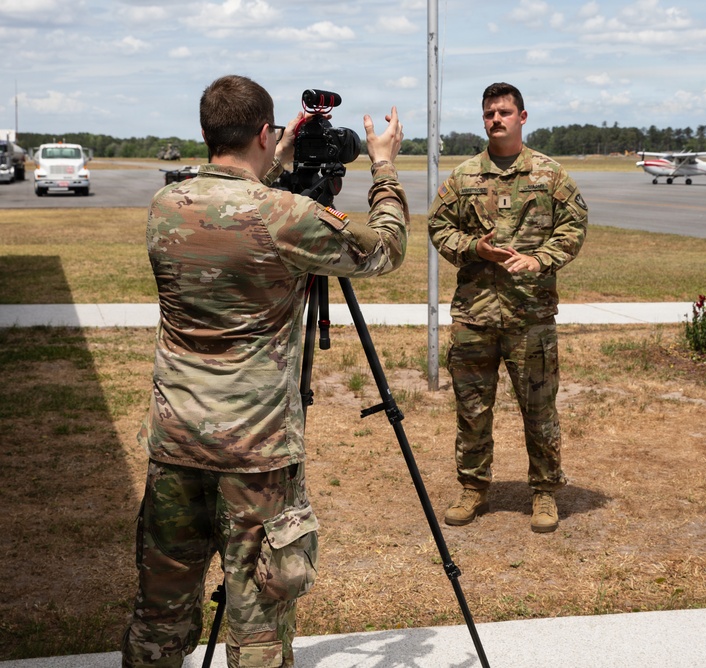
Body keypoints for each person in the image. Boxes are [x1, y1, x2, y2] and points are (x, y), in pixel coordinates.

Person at [121, 74, 408, 667]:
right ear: (263, 131)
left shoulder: (165, 206)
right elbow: (385, 249)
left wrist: (271, 166)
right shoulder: (285, 215)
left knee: (160, 613)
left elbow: (230, 209)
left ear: (205, 133)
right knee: (259, 620)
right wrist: (383, 168)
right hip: (255, 453)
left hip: (175, 441)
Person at [427, 82, 588, 533]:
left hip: (530, 316)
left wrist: (540, 259)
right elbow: (438, 227)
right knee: (472, 409)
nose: (496, 119)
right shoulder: (463, 177)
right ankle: (473, 487)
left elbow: (574, 227)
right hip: (474, 315)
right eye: (489, 113)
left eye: (504, 112)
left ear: (522, 116)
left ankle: (544, 492)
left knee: (539, 408)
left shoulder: (549, 175)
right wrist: (472, 247)